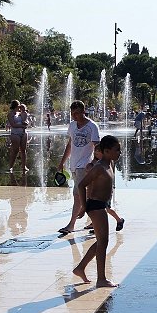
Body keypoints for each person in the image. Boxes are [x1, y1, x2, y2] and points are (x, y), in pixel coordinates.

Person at [72, 135, 121, 288]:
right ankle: (101, 279)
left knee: (101, 242)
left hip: (102, 205)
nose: (119, 153)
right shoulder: (99, 167)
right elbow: (82, 185)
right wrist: (84, 207)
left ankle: (80, 268)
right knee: (103, 242)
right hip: (95, 206)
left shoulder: (110, 164)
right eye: (116, 150)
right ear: (106, 151)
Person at [58, 100, 100, 235]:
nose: (74, 116)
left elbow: (97, 147)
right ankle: (95, 221)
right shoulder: (72, 126)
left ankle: (71, 225)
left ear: (83, 111)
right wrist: (62, 162)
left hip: (85, 165)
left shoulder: (92, 126)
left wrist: (93, 162)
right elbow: (70, 144)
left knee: (77, 195)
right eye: (72, 113)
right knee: (87, 196)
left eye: (77, 113)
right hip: (74, 165)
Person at [85, 144, 125, 232]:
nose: (95, 153)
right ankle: (95, 225)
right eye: (95, 152)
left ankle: (119, 220)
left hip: (105, 192)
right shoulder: (97, 162)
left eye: (98, 152)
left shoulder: (106, 163)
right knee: (99, 209)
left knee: (106, 209)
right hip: (97, 192)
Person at [7, 100, 29, 172]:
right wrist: (22, 125)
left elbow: (26, 120)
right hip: (15, 133)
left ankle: (24, 166)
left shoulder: (21, 113)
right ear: (16, 105)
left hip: (23, 132)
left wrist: (26, 123)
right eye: (19, 105)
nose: (20, 106)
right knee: (15, 150)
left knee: (23, 150)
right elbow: (13, 124)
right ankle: (11, 166)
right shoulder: (11, 114)